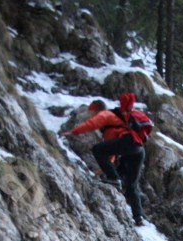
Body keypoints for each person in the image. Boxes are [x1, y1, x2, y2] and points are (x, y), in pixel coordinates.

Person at [63, 94, 153, 226]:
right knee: (131, 185)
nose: (90, 115)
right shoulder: (119, 121)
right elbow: (113, 151)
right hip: (138, 150)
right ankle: (138, 217)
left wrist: (74, 132)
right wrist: (104, 169)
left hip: (129, 144)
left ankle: (114, 180)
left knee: (97, 149)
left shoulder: (106, 114)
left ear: (96, 110)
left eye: (91, 111)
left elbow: (92, 124)